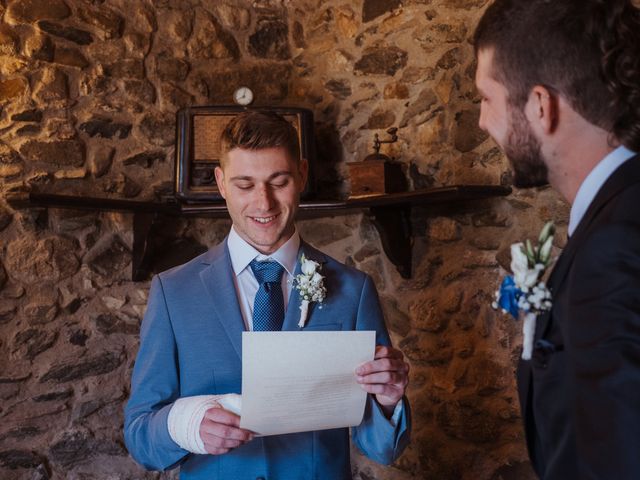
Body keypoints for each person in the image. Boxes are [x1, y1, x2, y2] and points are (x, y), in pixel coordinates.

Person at [124, 111, 410, 479]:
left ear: (302, 175)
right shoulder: (173, 292)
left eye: (279, 182)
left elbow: (382, 448)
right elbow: (139, 436)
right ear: (221, 182)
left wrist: (389, 400)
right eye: (245, 185)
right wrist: (186, 426)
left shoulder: (354, 290)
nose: (264, 204)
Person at [474, 0, 640, 478]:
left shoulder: (615, 246)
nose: (483, 122)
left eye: (486, 97)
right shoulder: (620, 211)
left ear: (541, 105)